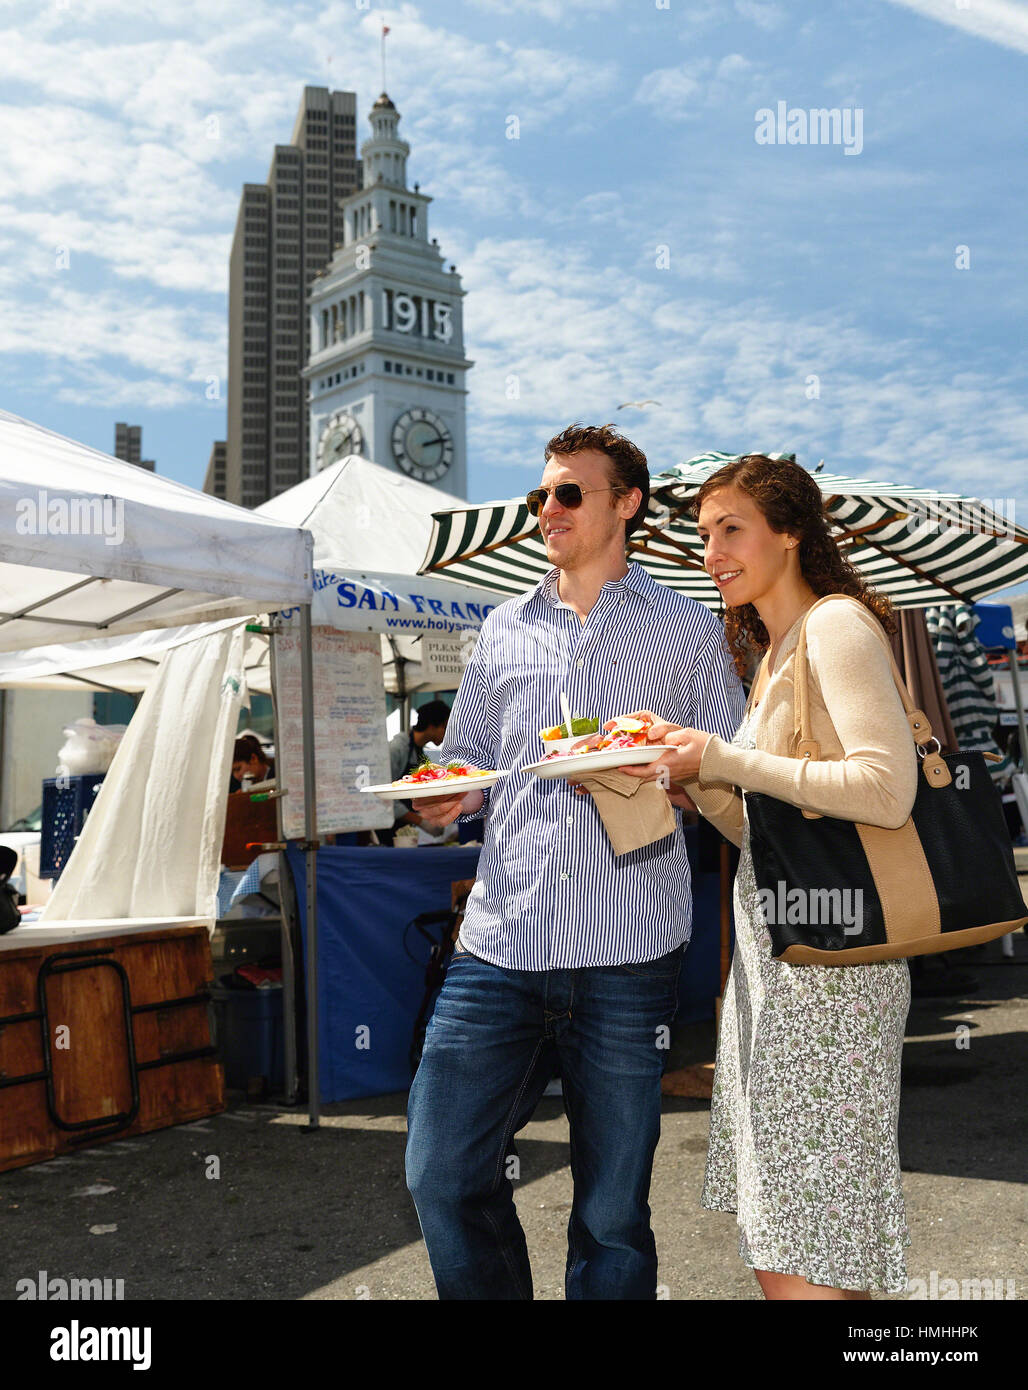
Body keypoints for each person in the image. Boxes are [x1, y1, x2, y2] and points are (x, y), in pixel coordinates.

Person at [406, 422, 744, 1300]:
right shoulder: (503, 628)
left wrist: (677, 773)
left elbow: (735, 767)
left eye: (568, 493)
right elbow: (468, 766)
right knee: (441, 1174)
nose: (547, 510)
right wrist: (444, 798)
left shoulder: (687, 632)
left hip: (628, 953)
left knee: (611, 1216)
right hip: (499, 945)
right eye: (539, 496)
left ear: (625, 505)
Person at [618, 454, 917, 1300]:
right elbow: (776, 835)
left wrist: (721, 754)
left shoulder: (834, 627)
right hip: (785, 967)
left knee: (802, 1247)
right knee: (809, 1238)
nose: (712, 549)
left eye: (732, 529)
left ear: (790, 534)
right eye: (704, 533)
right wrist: (701, 786)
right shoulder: (780, 649)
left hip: (831, 980)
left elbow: (886, 791)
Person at [378, 699, 451, 846]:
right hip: (385, 830)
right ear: (432, 726)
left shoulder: (419, 753)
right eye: (445, 727)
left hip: (404, 829)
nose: (447, 733)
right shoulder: (397, 749)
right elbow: (385, 795)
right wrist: (421, 822)